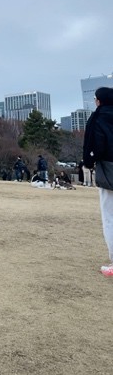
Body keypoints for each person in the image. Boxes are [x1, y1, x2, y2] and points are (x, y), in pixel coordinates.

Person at [83, 87, 113, 277]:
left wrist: (88, 161)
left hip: (108, 169)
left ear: (99, 100)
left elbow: (94, 144)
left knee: (110, 215)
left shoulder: (98, 117)